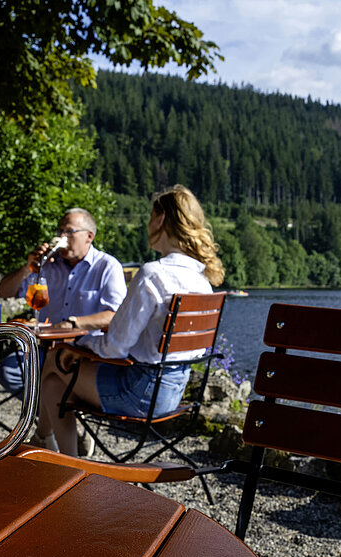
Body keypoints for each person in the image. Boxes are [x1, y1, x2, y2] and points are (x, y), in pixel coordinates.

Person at [35, 185, 224, 455]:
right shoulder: (202, 281)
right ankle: (65, 459)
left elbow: (115, 347)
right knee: (54, 385)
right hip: (174, 393)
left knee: (55, 358)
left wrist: (79, 347)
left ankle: (46, 443)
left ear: (160, 220)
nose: (148, 224)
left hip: (139, 392)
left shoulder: (153, 274)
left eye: (151, 217)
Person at [0, 208, 127, 397]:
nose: (62, 236)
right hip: (44, 348)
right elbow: (3, 292)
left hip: (83, 353)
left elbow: (115, 316)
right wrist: (29, 266)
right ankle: (48, 409)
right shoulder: (48, 266)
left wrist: (73, 324)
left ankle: (52, 409)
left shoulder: (107, 266)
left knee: (59, 379)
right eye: (60, 232)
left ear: (89, 237)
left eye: (69, 232)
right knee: (7, 372)